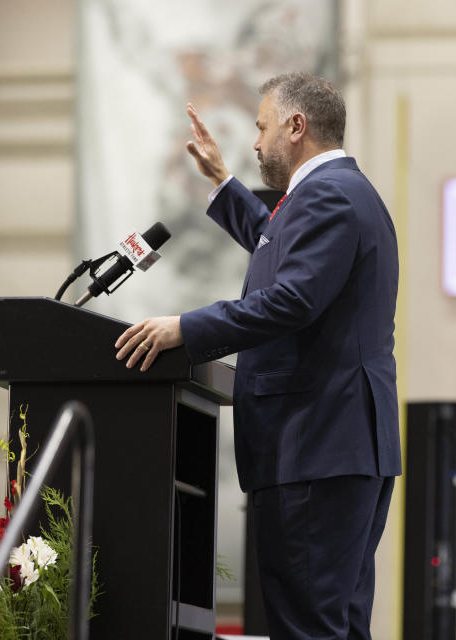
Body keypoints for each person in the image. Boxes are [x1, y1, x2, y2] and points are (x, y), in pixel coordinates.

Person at [114, 72, 401, 640]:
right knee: (334, 626)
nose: (255, 143)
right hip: (336, 448)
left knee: (309, 627)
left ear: (297, 127)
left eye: (262, 127)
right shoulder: (337, 194)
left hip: (314, 446)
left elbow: (291, 298)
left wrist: (185, 329)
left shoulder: (327, 195)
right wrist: (223, 182)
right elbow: (278, 251)